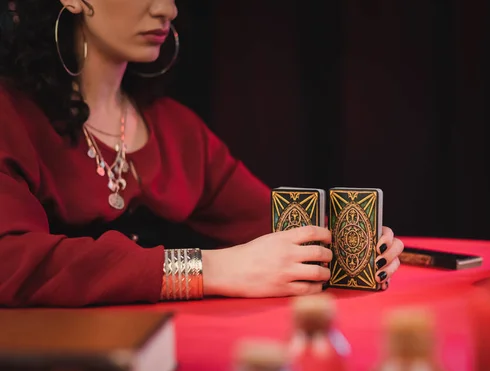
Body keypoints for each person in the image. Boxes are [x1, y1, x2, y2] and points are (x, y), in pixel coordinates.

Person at [0, 0, 404, 307]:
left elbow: (277, 224)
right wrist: (209, 270)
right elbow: (10, 260)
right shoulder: (12, 115)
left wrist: (357, 245)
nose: (167, 9)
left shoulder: (176, 128)